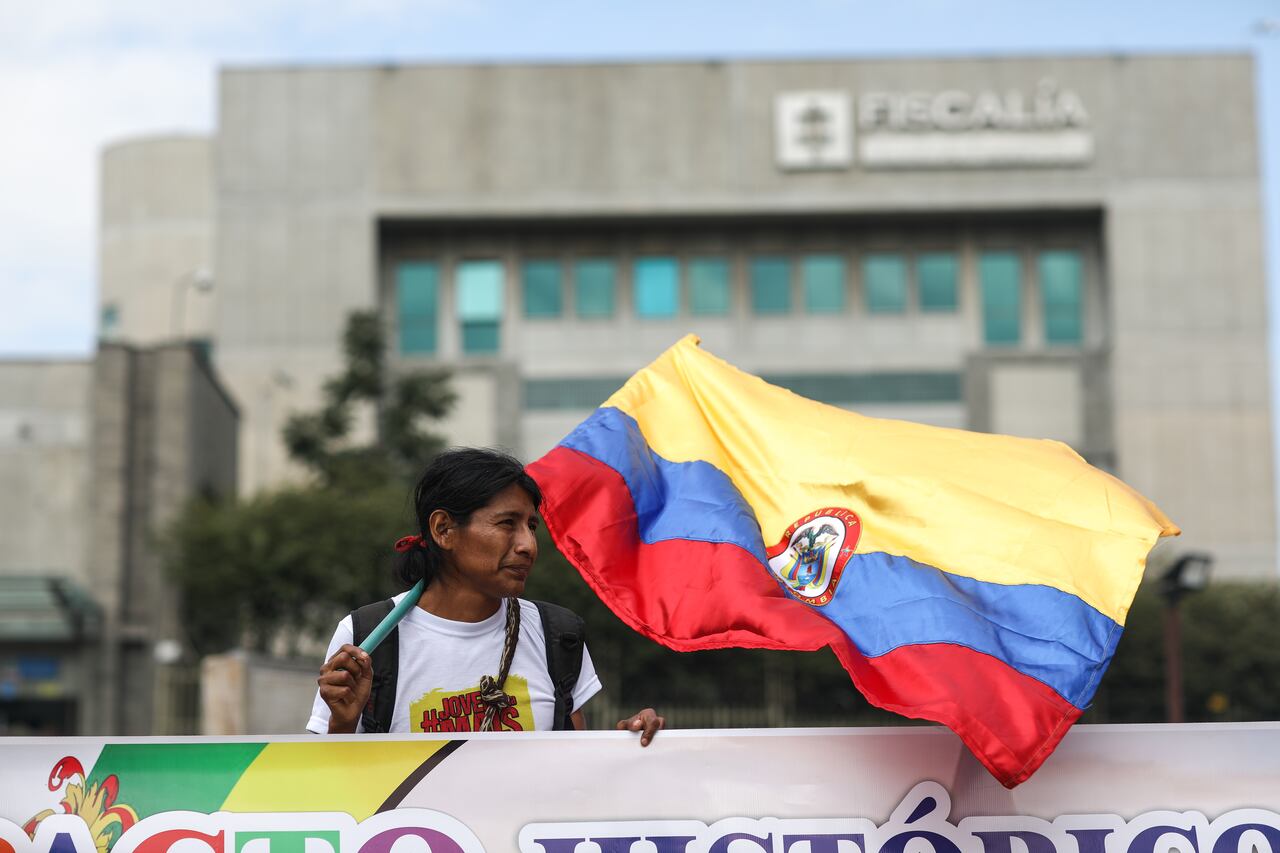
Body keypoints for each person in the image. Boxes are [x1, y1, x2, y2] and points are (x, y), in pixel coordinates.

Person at [307, 447, 663, 745]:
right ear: (443, 529)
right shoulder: (367, 638)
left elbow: (575, 773)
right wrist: (342, 724)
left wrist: (626, 746)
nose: (528, 545)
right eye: (507, 523)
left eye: (531, 526)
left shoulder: (558, 635)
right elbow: (332, 785)